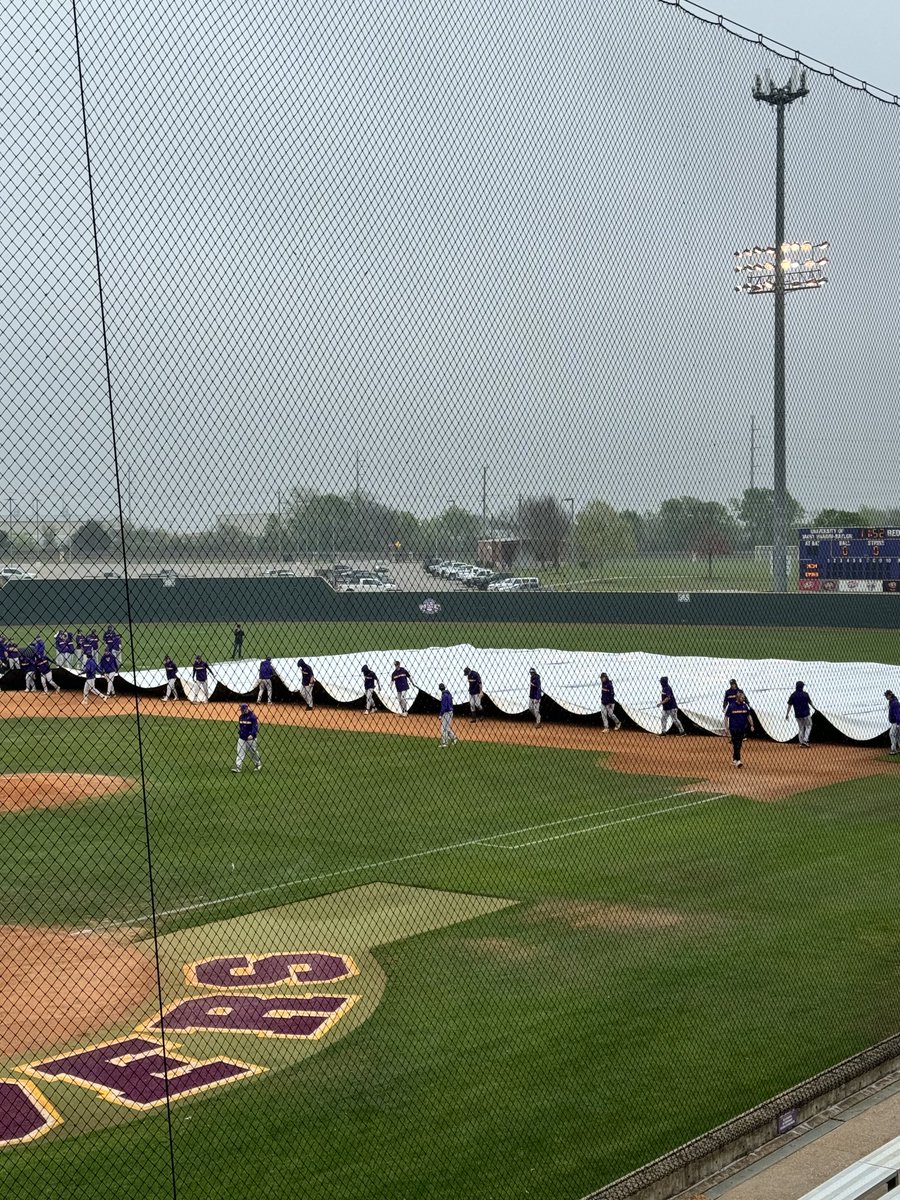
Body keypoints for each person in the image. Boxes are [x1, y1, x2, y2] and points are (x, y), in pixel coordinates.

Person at [725, 689, 754, 767]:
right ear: (738, 698)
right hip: (733, 728)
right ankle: (738, 761)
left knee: (739, 744)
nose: (743, 699)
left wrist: (752, 725)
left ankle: (734, 759)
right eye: (742, 698)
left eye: (743, 698)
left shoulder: (745, 706)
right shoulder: (731, 706)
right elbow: (726, 717)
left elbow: (749, 716)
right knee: (736, 744)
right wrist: (726, 727)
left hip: (742, 728)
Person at [232, 703, 262, 772]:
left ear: (246, 709)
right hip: (242, 738)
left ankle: (258, 764)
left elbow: (255, 727)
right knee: (240, 752)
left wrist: (252, 734)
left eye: (242, 710)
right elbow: (241, 727)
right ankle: (238, 767)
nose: (241, 711)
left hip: (251, 738)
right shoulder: (241, 717)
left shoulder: (252, 717)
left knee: (253, 752)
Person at [786, 680, 813, 747]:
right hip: (806, 713)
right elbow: (810, 702)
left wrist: (787, 714)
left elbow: (789, 705)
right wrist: (814, 707)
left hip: (797, 714)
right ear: (802, 687)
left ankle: (801, 742)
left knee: (801, 728)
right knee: (809, 725)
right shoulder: (805, 694)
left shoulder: (793, 695)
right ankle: (805, 740)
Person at [885, 689, 900, 755]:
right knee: (897, 735)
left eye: (887, 695)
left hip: (896, 722)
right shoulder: (892, 701)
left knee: (891, 734)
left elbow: (897, 713)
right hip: (896, 722)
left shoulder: (894, 703)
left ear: (890, 695)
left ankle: (893, 750)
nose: (886, 696)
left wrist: (898, 723)